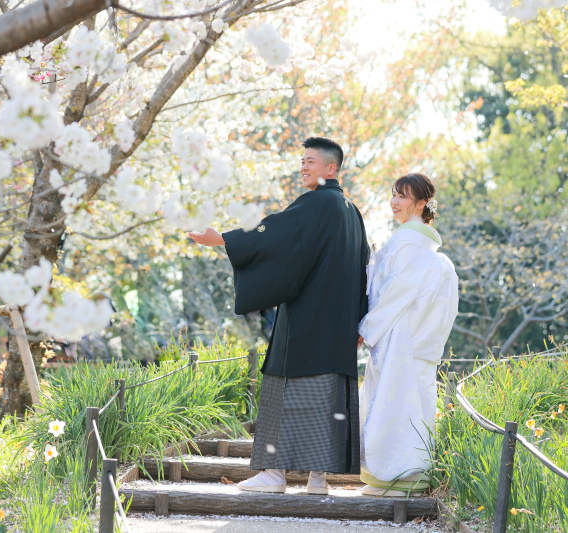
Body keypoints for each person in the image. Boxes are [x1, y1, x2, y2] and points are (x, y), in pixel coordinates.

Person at [189, 137, 370, 495]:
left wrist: (224, 238)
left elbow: (277, 235)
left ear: (331, 169)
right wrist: (360, 320)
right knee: (326, 396)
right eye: (302, 162)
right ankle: (319, 479)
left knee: (285, 390)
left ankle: (273, 474)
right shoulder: (352, 212)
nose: (303, 167)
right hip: (339, 326)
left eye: (311, 162)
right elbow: (364, 270)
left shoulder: (316, 203)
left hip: (308, 320)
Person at [357, 173, 459, 497]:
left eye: (402, 196)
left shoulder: (411, 245)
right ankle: (398, 477)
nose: (394, 202)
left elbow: (394, 293)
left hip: (397, 337)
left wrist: (365, 328)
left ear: (421, 203)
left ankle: (399, 478)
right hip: (404, 339)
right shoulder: (416, 245)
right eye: (394, 195)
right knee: (405, 404)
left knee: (397, 404)